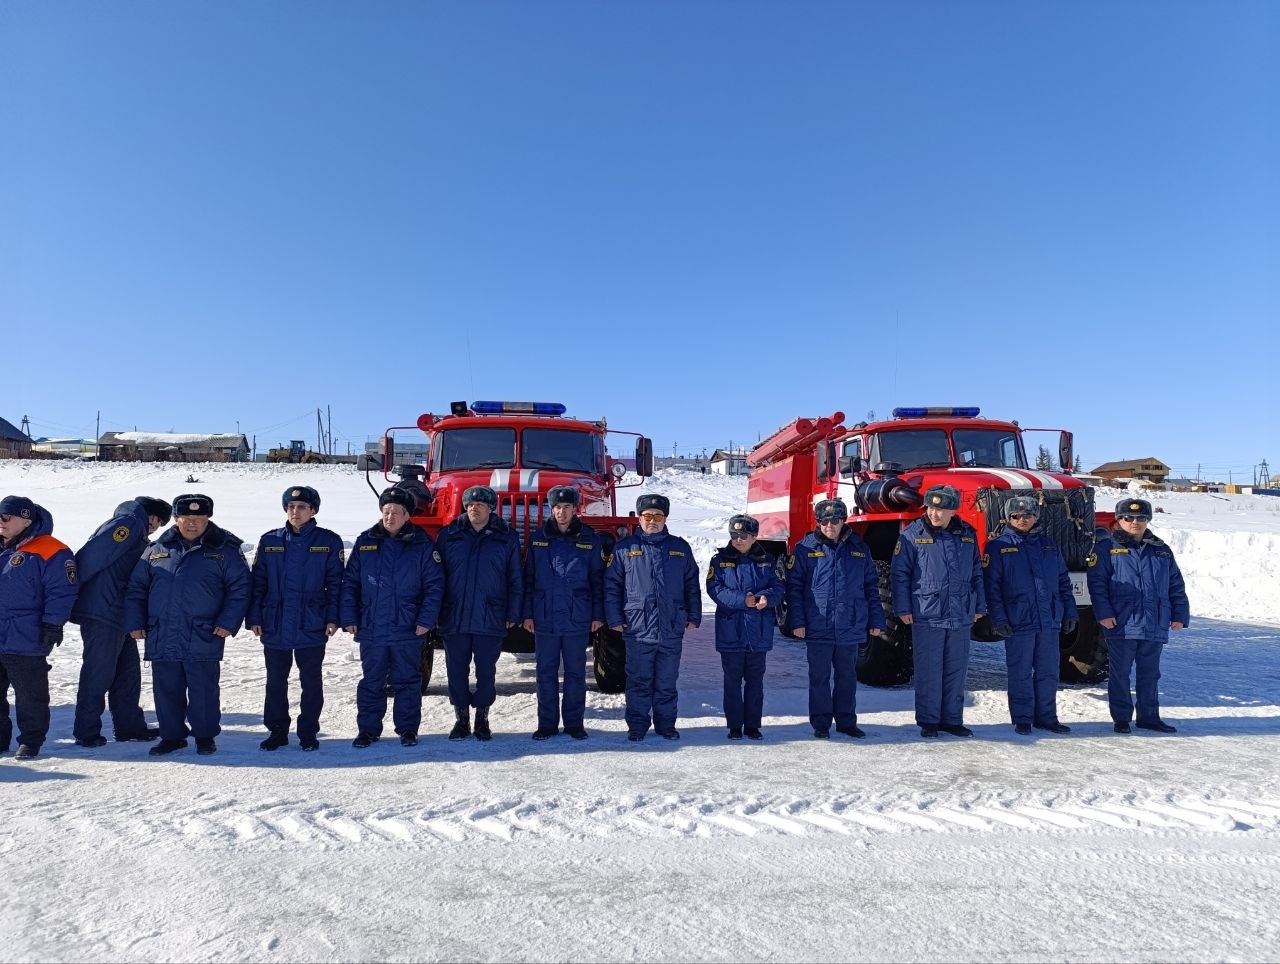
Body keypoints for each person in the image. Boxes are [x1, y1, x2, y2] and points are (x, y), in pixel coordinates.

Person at [124, 494, 250, 756]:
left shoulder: (224, 550)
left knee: (203, 690)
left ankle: (204, 736)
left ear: (208, 519)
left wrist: (227, 622)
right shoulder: (156, 550)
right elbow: (137, 588)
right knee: (166, 689)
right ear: (176, 519)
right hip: (162, 631)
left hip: (204, 631)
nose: (192, 523)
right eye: (186, 518)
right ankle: (172, 736)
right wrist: (135, 622)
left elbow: (240, 589)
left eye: (199, 518)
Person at [340, 487, 443, 748]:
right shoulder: (365, 541)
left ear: (407, 515)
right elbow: (350, 582)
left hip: (407, 627)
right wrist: (349, 616)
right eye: (386, 511)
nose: (390, 517)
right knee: (371, 681)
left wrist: (426, 620)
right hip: (371, 626)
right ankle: (368, 730)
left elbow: (434, 586)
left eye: (396, 512)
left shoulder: (421, 544)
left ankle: (408, 729)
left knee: (408, 681)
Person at [247, 486, 344, 752]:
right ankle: (277, 731)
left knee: (311, 681)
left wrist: (333, 618)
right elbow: (258, 582)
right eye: (290, 506)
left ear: (313, 510)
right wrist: (255, 616)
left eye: (301, 507)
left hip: (312, 622)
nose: (295, 511)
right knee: (275, 681)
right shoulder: (270, 540)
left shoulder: (329, 541)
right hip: (274, 622)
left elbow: (336, 584)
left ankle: (308, 732)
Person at [69, 495, 172, 747]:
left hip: (120, 615)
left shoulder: (136, 532)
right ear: (150, 514)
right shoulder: (129, 523)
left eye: (159, 525)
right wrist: (71, 593)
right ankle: (86, 731)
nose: (155, 527)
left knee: (128, 674)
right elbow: (90, 557)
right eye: (157, 520)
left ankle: (129, 726)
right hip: (103, 613)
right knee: (98, 673)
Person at [784, 499, 886, 739]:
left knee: (847, 677)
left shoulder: (859, 548)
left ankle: (846, 722)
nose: (830, 525)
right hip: (818, 624)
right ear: (818, 522)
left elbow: (871, 587)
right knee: (819, 677)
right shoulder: (805, 549)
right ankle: (821, 724)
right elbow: (794, 588)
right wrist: (797, 622)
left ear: (843, 521)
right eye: (825, 521)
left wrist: (876, 620)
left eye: (835, 521)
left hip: (849, 624)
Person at [1087, 497, 1190, 734]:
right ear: (1119, 520)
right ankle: (1122, 718)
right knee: (1120, 673)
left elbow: (1175, 584)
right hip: (1121, 622)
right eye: (1129, 517)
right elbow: (1097, 585)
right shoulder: (1105, 548)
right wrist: (1104, 613)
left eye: (1141, 518)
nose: (1135, 522)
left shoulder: (1161, 550)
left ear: (1148, 520)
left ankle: (1149, 717)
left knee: (1150, 674)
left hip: (1154, 622)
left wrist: (1179, 614)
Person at [604, 493, 701, 741]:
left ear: (665, 518)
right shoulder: (624, 549)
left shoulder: (680, 548)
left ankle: (666, 725)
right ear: (639, 518)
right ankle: (637, 726)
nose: (652, 521)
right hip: (638, 628)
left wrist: (694, 614)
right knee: (639, 680)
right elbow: (612, 586)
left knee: (667, 681)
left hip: (671, 627)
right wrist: (614, 618)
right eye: (647, 516)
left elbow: (691, 584)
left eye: (658, 516)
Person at [891, 484, 985, 739]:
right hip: (927, 612)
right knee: (929, 669)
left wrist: (979, 605)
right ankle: (929, 721)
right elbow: (900, 574)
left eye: (940, 509)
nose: (934, 514)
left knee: (956, 669)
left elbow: (977, 572)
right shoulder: (912, 535)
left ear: (952, 511)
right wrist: (903, 607)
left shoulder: (967, 535)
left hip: (960, 612)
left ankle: (952, 720)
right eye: (930, 508)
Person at [982, 496, 1078, 736]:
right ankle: (1023, 719)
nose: (1022, 519)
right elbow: (991, 588)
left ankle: (1047, 718)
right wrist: (999, 619)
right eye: (1016, 516)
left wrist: (1070, 611)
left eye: (1027, 515)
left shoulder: (1049, 545)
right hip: (1019, 620)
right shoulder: (998, 547)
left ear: (1036, 516)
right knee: (1020, 671)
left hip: (1049, 620)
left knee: (1048, 672)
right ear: (1008, 518)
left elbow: (1063, 582)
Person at [436, 485, 522, 742]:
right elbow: (435, 578)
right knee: (456, 671)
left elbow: (515, 578)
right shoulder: (448, 535)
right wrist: (435, 613)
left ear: (491, 509)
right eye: (470, 504)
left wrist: (513, 612)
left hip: (490, 615)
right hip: (455, 615)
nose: (474, 508)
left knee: (486, 672)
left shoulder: (506, 538)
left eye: (481, 505)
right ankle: (461, 719)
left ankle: (482, 719)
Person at [521, 485, 605, 741]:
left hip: (576, 616)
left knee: (575, 673)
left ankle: (574, 724)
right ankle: (547, 725)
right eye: (557, 507)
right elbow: (529, 579)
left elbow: (598, 580)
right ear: (551, 509)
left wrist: (597, 614)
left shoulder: (589, 539)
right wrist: (527, 614)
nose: (562, 512)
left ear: (575, 509)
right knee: (545, 673)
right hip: (544, 616)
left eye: (567, 507)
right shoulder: (538, 538)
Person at [0, 495, 79, 760]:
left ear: (26, 520)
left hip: (26, 635)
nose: (1, 522)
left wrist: (53, 624)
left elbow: (62, 591)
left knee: (30, 694)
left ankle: (30, 741)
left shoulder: (51, 550)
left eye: (6, 517)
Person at [706, 514, 784, 740]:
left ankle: (752, 726)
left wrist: (767, 598)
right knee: (732, 682)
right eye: (734, 535)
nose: (738, 540)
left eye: (743, 535)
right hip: (731, 631)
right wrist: (742, 600)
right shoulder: (719, 561)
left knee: (755, 682)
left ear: (754, 536)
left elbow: (778, 588)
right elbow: (714, 589)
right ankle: (734, 726)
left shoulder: (767, 560)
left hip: (758, 632)